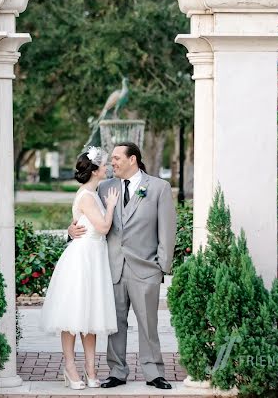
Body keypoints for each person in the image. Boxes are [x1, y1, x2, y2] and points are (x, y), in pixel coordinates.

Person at [69, 142, 176, 390]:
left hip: (146, 269)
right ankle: (117, 371)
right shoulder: (104, 188)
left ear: (133, 160)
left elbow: (167, 231)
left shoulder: (159, 188)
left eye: (116, 158)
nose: (112, 163)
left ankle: (154, 373)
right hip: (111, 267)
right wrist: (70, 230)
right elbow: (83, 216)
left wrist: (162, 267)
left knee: (148, 323)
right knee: (115, 324)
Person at [39, 146, 119, 390]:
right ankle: (71, 367)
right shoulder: (86, 195)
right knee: (73, 317)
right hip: (83, 258)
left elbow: (82, 223)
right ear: (95, 170)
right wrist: (112, 205)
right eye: (104, 165)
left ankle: (91, 369)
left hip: (95, 256)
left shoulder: (93, 193)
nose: (107, 168)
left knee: (91, 317)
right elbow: (103, 228)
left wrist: (70, 228)